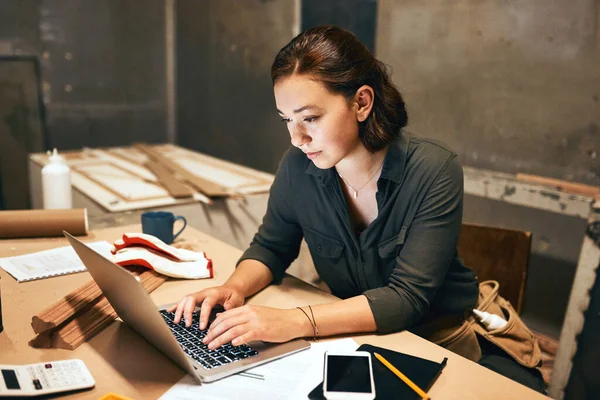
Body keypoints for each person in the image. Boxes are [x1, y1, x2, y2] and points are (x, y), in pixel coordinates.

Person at [170, 25, 545, 393]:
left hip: (442, 339)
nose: (297, 139)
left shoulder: (433, 169)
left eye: (311, 118)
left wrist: (294, 321)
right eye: (287, 120)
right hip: (357, 336)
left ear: (362, 102)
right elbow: (271, 248)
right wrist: (232, 289)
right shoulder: (298, 166)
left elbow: (407, 298)